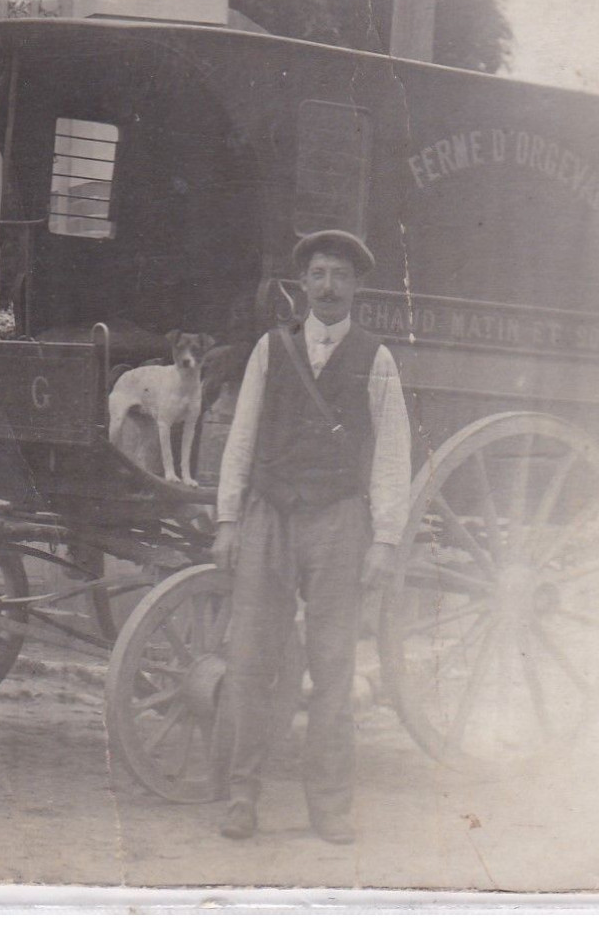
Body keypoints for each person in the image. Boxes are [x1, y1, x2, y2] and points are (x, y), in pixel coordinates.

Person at [211, 229, 411, 844]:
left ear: (357, 287)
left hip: (338, 521)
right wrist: (226, 520)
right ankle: (242, 794)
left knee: (332, 667)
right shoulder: (271, 350)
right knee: (249, 661)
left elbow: (393, 457)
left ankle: (328, 803)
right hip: (269, 515)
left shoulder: (376, 359)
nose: (329, 287)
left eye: (341, 276)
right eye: (319, 274)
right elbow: (240, 437)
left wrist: (384, 540)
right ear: (303, 285)